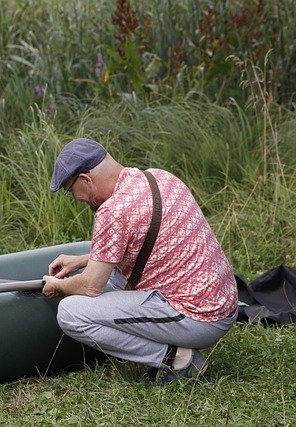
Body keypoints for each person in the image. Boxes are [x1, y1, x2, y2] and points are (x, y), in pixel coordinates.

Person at [42, 138, 238, 383]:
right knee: (111, 275)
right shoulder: (158, 177)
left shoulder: (113, 210)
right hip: (223, 301)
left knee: (71, 313)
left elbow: (90, 287)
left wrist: (58, 285)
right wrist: (83, 260)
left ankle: (177, 360)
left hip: (201, 317)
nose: (75, 198)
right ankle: (175, 351)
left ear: (85, 180)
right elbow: (141, 241)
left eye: (71, 190)